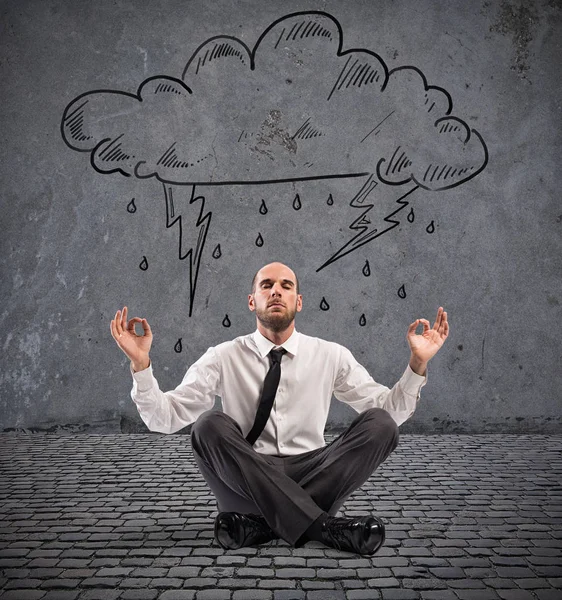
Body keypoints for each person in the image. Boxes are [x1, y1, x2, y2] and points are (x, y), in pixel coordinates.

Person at [110, 262, 449, 555]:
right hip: (247, 479)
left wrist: (417, 363)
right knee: (208, 425)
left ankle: (262, 527)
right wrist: (141, 364)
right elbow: (164, 418)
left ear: (298, 302)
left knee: (381, 424)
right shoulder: (222, 356)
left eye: (286, 286)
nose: (276, 292)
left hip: (315, 475)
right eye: (266, 285)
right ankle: (324, 528)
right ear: (251, 300)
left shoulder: (331, 355)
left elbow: (391, 411)